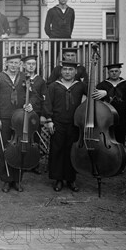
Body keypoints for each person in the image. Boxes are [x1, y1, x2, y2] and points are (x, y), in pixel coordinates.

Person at [0, 54, 28, 193]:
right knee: (4, 149)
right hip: (4, 118)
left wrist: (31, 105)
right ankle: (6, 180)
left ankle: (17, 180)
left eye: (16, 63)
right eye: (11, 63)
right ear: (7, 64)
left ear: (20, 64)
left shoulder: (24, 77)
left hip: (20, 118)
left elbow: (32, 95)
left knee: (19, 148)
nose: (13, 65)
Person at [44, 61, 87, 192]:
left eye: (71, 69)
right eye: (65, 69)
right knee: (57, 150)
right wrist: (49, 120)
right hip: (57, 122)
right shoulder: (53, 86)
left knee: (71, 151)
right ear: (61, 71)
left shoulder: (80, 86)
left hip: (74, 123)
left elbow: (93, 96)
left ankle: (71, 179)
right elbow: (47, 104)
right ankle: (58, 179)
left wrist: (103, 93)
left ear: (76, 72)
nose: (67, 72)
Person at [93, 63, 126, 145]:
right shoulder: (102, 85)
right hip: (105, 117)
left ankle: (119, 155)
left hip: (121, 116)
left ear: (120, 72)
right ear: (108, 73)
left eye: (116, 71)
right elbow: (96, 101)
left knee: (120, 137)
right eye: (111, 71)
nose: (114, 73)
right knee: (106, 137)